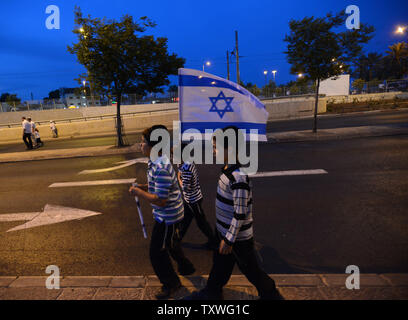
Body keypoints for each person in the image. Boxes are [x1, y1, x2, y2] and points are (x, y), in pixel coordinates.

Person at [184, 126, 283, 300]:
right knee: (220, 266)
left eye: (216, 147)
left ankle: (271, 295)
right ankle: (212, 291)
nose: (213, 151)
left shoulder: (239, 177)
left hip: (237, 239)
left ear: (230, 148)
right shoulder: (227, 170)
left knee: (252, 270)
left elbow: (240, 213)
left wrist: (229, 239)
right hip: (224, 232)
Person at [129, 125, 195, 300]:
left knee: (157, 253)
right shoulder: (156, 161)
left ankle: (171, 283)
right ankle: (186, 267)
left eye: (143, 142)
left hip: (168, 217)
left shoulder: (161, 168)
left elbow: (160, 200)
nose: (140, 145)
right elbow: (158, 188)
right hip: (170, 214)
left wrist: (139, 193)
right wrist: (143, 186)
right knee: (171, 243)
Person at [177, 143, 217, 249]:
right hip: (190, 199)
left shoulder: (186, 168)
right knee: (185, 220)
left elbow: (185, 187)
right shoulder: (185, 163)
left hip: (193, 200)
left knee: (201, 222)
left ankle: (213, 241)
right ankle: (177, 239)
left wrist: (178, 179)